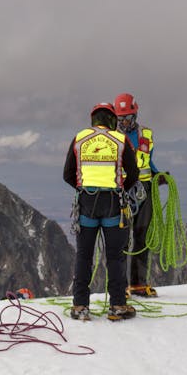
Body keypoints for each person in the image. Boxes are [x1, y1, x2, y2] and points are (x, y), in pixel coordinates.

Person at [63, 102, 140, 321]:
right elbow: (133, 174)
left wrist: (83, 189)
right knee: (115, 257)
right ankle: (117, 306)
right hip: (113, 203)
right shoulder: (120, 140)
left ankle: (80, 306)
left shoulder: (79, 139)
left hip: (86, 203)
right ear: (112, 119)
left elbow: (68, 174)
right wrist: (120, 189)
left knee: (84, 256)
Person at [114, 92, 164, 297]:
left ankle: (138, 284)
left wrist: (158, 174)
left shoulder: (146, 135)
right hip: (123, 191)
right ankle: (120, 286)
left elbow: (148, 162)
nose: (125, 122)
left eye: (128, 118)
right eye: (120, 118)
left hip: (144, 190)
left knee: (142, 236)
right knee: (121, 239)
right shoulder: (112, 137)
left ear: (135, 115)